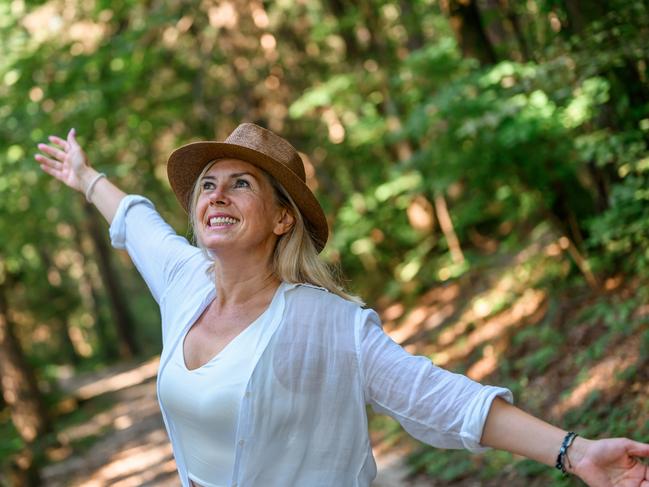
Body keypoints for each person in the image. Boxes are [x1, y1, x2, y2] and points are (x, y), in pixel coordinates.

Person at [36, 123, 648, 487]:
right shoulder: (183, 280)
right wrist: (87, 178)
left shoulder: (326, 322)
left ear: (282, 218)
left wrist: (574, 451)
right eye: (207, 185)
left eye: (240, 182)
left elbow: (438, 399)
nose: (216, 193)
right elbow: (136, 219)